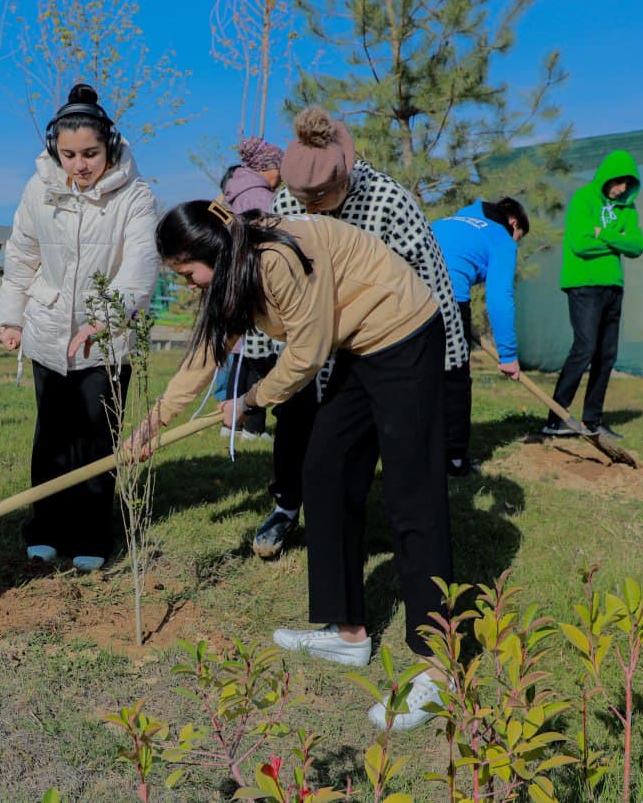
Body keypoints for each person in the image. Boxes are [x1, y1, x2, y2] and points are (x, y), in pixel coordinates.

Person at [132, 201, 453, 731]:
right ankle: (348, 633)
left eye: (189, 273)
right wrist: (153, 423)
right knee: (324, 471)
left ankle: (439, 668)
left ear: (212, 251)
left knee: (412, 495)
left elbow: (305, 356)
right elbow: (204, 356)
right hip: (359, 346)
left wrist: (250, 400)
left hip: (404, 332)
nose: (190, 284)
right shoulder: (233, 272)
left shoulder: (274, 257)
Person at [246, 106, 468, 556]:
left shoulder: (388, 198)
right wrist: (261, 352)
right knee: (293, 421)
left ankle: (371, 519)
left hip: (380, 344)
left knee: (373, 440)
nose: (307, 209)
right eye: (300, 199)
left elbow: (429, 280)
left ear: (344, 179)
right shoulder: (288, 202)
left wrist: (446, 361)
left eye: (318, 200)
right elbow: (267, 278)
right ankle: (288, 506)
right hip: (307, 339)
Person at [0, 84, 159, 573]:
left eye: (90, 153)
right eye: (68, 154)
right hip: (47, 333)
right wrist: (11, 317)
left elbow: (141, 266)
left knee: (97, 440)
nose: (80, 165)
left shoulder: (137, 196)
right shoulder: (37, 189)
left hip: (105, 344)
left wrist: (102, 323)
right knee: (51, 436)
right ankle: (44, 528)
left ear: (108, 146)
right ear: (54, 150)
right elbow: (21, 254)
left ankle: (91, 534)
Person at [543, 150, 643, 439]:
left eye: (627, 183)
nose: (622, 188)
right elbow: (579, 244)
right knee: (585, 348)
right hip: (584, 284)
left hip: (613, 284)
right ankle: (555, 419)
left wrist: (603, 233)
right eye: (618, 182)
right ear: (606, 177)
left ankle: (592, 421)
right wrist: (619, 239)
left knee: (607, 354)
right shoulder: (584, 198)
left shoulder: (629, 208)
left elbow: (638, 246)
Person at [433, 198, 530, 475]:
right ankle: (453, 459)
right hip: (448, 299)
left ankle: (414, 453)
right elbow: (499, 298)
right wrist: (508, 354)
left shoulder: (446, 222)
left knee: (418, 378)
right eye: (519, 237)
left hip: (403, 294)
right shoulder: (501, 238)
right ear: (514, 224)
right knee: (454, 380)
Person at [214, 136, 284, 440]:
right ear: (266, 167)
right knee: (259, 359)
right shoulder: (259, 198)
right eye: (278, 167)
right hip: (255, 287)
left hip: (235, 285)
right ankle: (253, 427)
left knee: (238, 359)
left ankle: (231, 423)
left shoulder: (235, 191)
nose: (281, 174)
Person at [220, 135, 283, 214]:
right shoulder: (263, 199)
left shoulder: (235, 191)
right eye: (279, 168)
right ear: (264, 167)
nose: (282, 177)